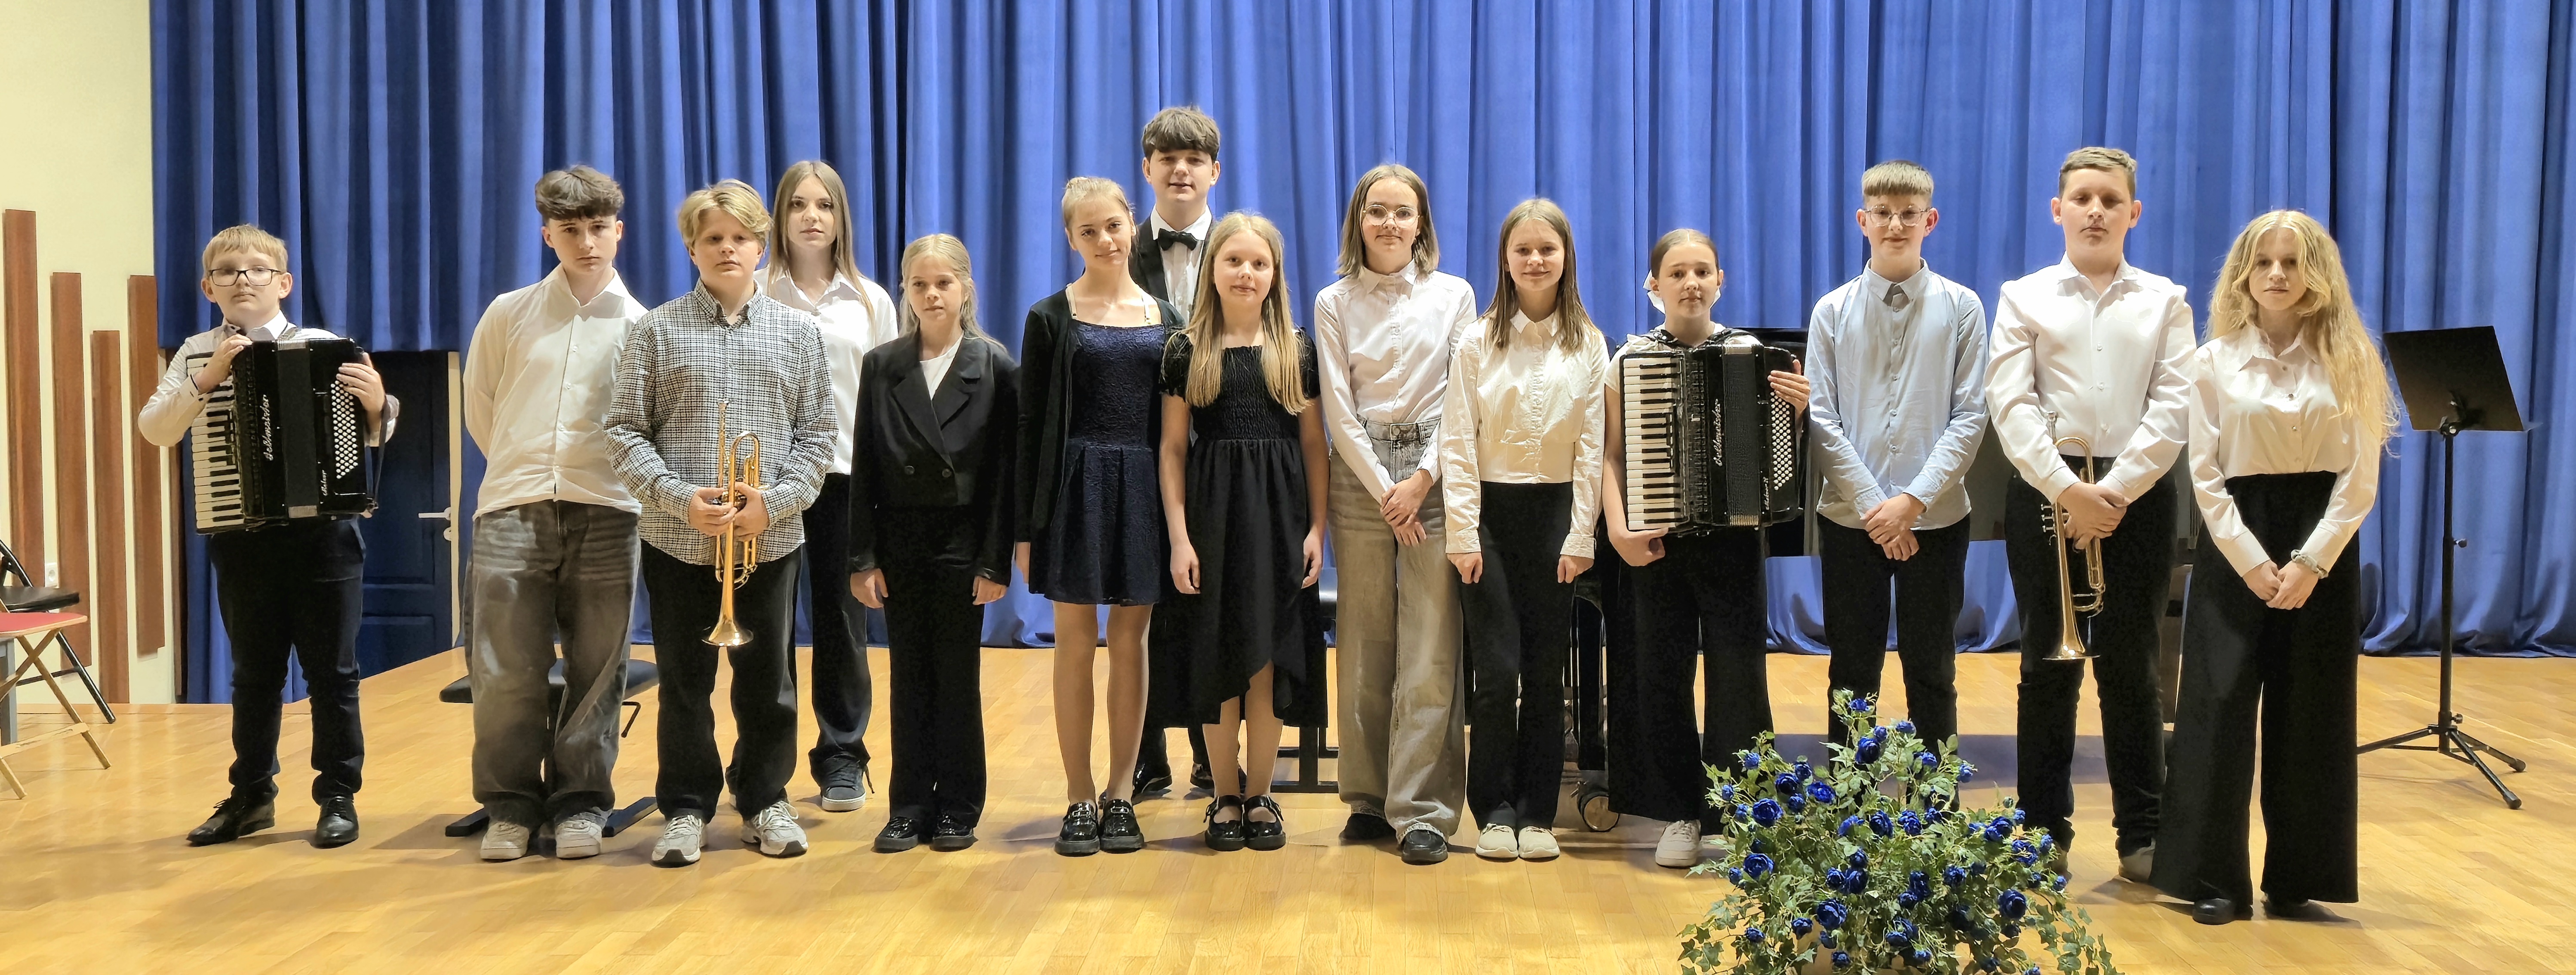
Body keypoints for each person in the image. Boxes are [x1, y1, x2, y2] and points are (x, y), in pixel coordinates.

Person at [2154, 210, 2392, 926]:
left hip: (2321, 547)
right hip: (2237, 543)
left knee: (2311, 709)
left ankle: (2299, 877)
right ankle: (2213, 879)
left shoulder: (2351, 358)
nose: (2277, 275)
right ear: (2243, 274)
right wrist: (2254, 563)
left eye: (2292, 262)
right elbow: (2204, 476)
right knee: (2217, 707)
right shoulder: (2212, 361)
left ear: (2316, 273)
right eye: (2263, 263)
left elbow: (2359, 478)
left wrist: (2311, 562)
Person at [142, 224, 397, 850]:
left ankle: (337, 797)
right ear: (208, 288)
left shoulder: (326, 347)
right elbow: (156, 429)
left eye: (257, 270)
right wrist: (206, 381)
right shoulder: (195, 353)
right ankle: (251, 796)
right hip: (241, 535)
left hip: (324, 537)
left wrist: (378, 404)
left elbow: (378, 430)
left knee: (333, 675)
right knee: (253, 675)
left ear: (283, 283)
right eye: (227, 272)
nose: (243, 280)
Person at [604, 180, 835, 867]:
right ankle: (686, 807)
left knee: (769, 682)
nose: (727, 249)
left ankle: (765, 799)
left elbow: (818, 437)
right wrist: (679, 499)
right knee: (685, 684)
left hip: (770, 538)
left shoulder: (799, 333)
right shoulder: (655, 330)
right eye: (713, 239)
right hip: (678, 540)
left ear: (761, 247)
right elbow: (624, 432)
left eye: (739, 238)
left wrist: (777, 500)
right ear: (692, 248)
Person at [1988, 147, 2194, 883]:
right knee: (2047, 662)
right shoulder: (2023, 297)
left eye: (2110, 200)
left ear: (2133, 212)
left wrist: (2115, 492)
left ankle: (2143, 833)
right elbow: (2009, 402)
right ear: (2058, 210)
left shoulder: (2166, 300)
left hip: (2137, 496)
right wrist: (2065, 490)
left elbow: (2175, 405)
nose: (2096, 211)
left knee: (2132, 668)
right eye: (2082, 199)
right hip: (2047, 492)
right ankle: (2041, 833)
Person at [1601, 229, 1810, 869]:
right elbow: (1610, 456)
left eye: (1701, 272)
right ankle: (1679, 813)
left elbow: (1776, 462)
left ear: (1721, 281)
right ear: (1654, 285)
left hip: (1734, 543)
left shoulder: (1753, 355)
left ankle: (1738, 812)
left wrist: (1796, 415)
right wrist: (1618, 530)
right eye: (1677, 273)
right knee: (1659, 677)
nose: (1690, 283)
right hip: (1657, 543)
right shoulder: (1630, 359)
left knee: (1739, 675)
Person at [460, 166, 649, 862]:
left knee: (598, 670)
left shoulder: (643, 326)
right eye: (570, 230)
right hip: (514, 507)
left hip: (608, 510)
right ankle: (510, 806)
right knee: (505, 671)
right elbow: (483, 407)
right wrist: (528, 471)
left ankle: (580, 803)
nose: (586, 243)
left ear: (619, 232)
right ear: (548, 236)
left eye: (598, 228)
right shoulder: (508, 313)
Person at [1313, 163, 1476, 865]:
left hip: (1435, 475)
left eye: (1402, 212)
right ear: (1359, 221)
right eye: (1376, 210)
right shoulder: (1332, 301)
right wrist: (1385, 486)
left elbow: (1460, 398)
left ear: (1420, 224)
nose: (1388, 223)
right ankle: (1368, 799)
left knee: (1430, 645)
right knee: (1365, 640)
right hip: (1361, 478)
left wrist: (1420, 481)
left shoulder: (1455, 295)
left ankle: (1424, 811)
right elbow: (1337, 406)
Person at [1152, 213, 1330, 852]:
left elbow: (1314, 447)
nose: (1246, 273)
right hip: (1212, 518)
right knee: (1217, 655)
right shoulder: (1186, 349)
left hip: (1280, 520)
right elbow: (1173, 450)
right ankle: (1224, 795)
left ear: (1274, 274)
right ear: (1212, 270)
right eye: (1233, 261)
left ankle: (1260, 795)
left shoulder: (1297, 349)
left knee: (1267, 659)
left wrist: (1317, 529)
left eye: (1259, 263)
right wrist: (1179, 538)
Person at [1016, 176, 1180, 856]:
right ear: (1071, 239)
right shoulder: (1049, 317)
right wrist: (1024, 529)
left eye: (1113, 225)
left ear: (1131, 223)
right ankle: (1078, 794)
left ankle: (1121, 793)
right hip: (1074, 487)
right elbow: (1029, 429)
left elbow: (1177, 433)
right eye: (1089, 231)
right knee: (1075, 641)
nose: (1105, 240)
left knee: (1131, 643)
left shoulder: (1168, 318)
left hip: (1143, 486)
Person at [1441, 199, 1608, 863]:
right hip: (1489, 518)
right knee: (1496, 671)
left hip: (1556, 519)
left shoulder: (1588, 343)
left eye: (1547, 249)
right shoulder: (1477, 342)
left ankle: (1538, 811)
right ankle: (1494, 811)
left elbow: (1592, 448)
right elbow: (1457, 441)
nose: (1535, 260)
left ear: (1565, 258)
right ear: (1505, 261)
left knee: (1543, 672)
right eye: (1523, 250)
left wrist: (1581, 534)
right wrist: (1461, 532)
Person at [1804, 159, 1989, 749]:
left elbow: (1970, 416)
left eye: (1909, 214)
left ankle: (1934, 801)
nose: (1895, 225)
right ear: (1862, 221)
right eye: (1882, 214)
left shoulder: (1963, 307)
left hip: (1935, 519)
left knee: (1932, 671)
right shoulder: (1831, 311)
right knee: (1851, 675)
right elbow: (1822, 418)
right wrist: (1875, 508)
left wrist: (1910, 503)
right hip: (1850, 520)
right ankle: (1850, 799)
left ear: (1929, 221)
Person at [848, 234, 1017, 854]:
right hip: (900, 543)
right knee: (908, 677)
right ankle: (910, 806)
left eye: (943, 283)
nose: (931, 295)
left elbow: (1003, 478)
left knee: (956, 678)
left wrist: (994, 561)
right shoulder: (883, 364)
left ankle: (959, 806)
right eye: (919, 285)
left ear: (965, 288)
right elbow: (866, 466)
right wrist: (862, 558)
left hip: (961, 546)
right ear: (906, 292)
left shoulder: (994, 367)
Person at [765, 159, 902, 814]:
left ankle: (843, 757)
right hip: (770, 484)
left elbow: (888, 403)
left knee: (842, 625)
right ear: (779, 217)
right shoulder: (755, 293)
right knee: (767, 627)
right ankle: (765, 765)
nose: (812, 216)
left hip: (844, 480)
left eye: (824, 205)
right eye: (798, 205)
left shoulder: (871, 301)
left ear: (842, 217)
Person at [1129, 105, 1225, 794]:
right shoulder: (1118, 246)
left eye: (1194, 160)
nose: (1180, 170)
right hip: (1140, 448)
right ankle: (1145, 754)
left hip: (1223, 452)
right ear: (1148, 169)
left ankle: (1209, 748)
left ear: (1214, 172)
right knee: (1143, 604)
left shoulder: (1243, 247)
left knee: (1210, 602)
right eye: (1167, 158)